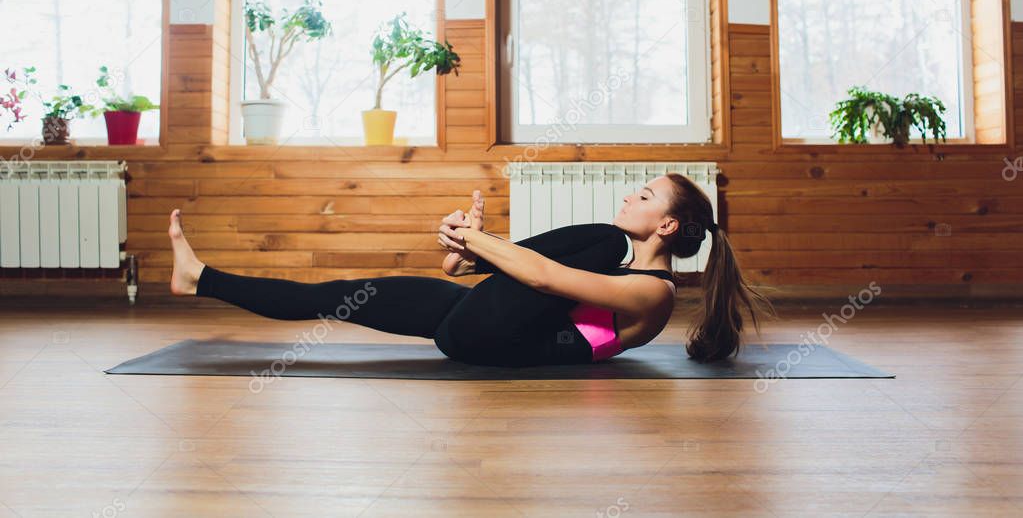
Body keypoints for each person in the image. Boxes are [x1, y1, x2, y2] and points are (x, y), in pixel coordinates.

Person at [168, 173, 773, 366]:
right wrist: (467, 251)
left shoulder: (650, 291)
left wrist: (482, 241)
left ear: (668, 226)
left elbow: (541, 280)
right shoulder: (617, 258)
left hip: (492, 338)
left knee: (599, 238)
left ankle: (483, 241)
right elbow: (479, 276)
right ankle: (200, 278)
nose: (629, 198)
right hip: (477, 320)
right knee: (339, 294)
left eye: (645, 196)